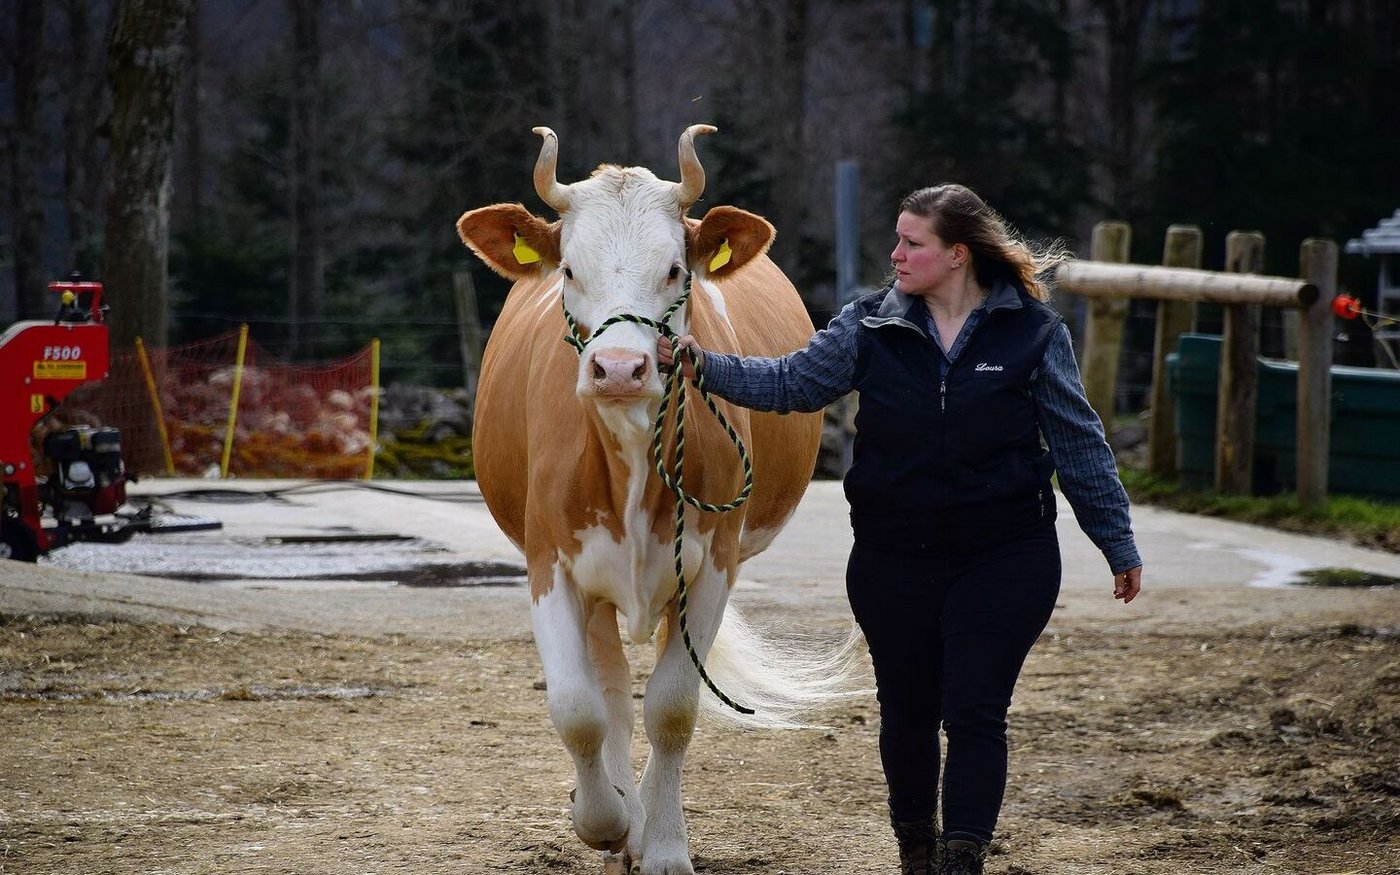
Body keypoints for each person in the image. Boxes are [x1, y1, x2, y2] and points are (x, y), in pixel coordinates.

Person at [658, 183, 1143, 875]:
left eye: (912, 242)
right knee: (907, 712)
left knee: (975, 710)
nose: (896, 254)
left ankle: (961, 858)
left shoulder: (1034, 335)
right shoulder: (870, 325)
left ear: (957, 253)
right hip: (893, 559)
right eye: (897, 239)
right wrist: (701, 363)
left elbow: (1080, 445)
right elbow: (793, 384)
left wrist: (1116, 541)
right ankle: (916, 850)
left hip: (1006, 555)